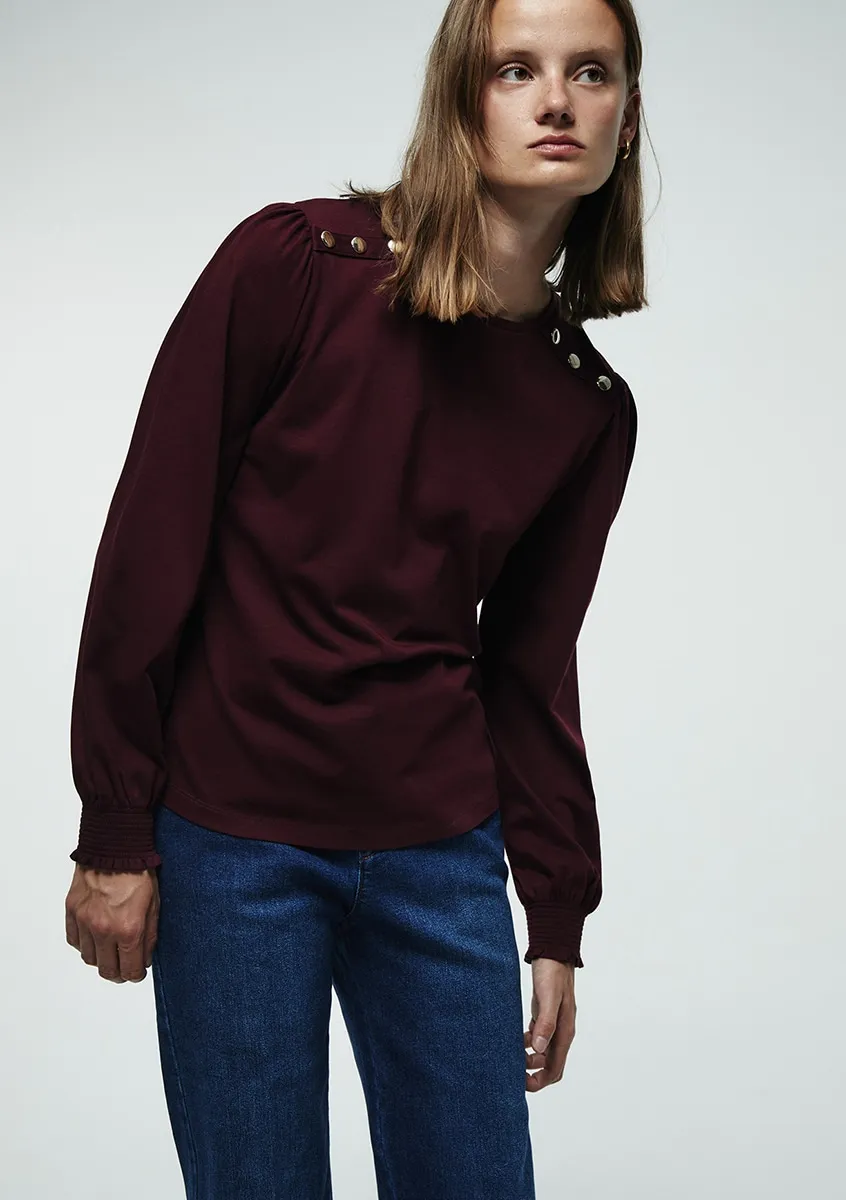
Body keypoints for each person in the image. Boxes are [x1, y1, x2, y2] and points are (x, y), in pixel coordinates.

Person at [63, 0, 647, 1194]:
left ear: (625, 118)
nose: (555, 100)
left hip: (442, 857)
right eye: (515, 70)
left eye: (590, 72)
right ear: (459, 98)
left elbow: (531, 673)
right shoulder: (294, 266)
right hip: (235, 847)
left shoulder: (584, 406)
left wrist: (554, 913)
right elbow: (150, 547)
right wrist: (117, 826)